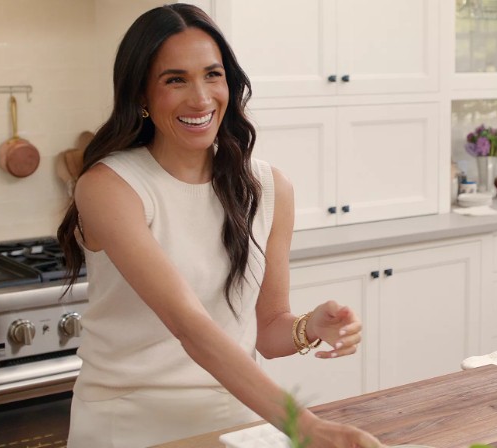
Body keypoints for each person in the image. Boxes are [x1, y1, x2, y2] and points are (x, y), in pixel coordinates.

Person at [57, 4, 384, 447]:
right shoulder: (110, 188)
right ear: (141, 96)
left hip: (236, 422)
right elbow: (189, 326)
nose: (201, 98)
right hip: (129, 425)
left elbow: (267, 331)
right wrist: (306, 427)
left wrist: (310, 327)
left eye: (212, 75)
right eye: (175, 80)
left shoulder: (269, 187)